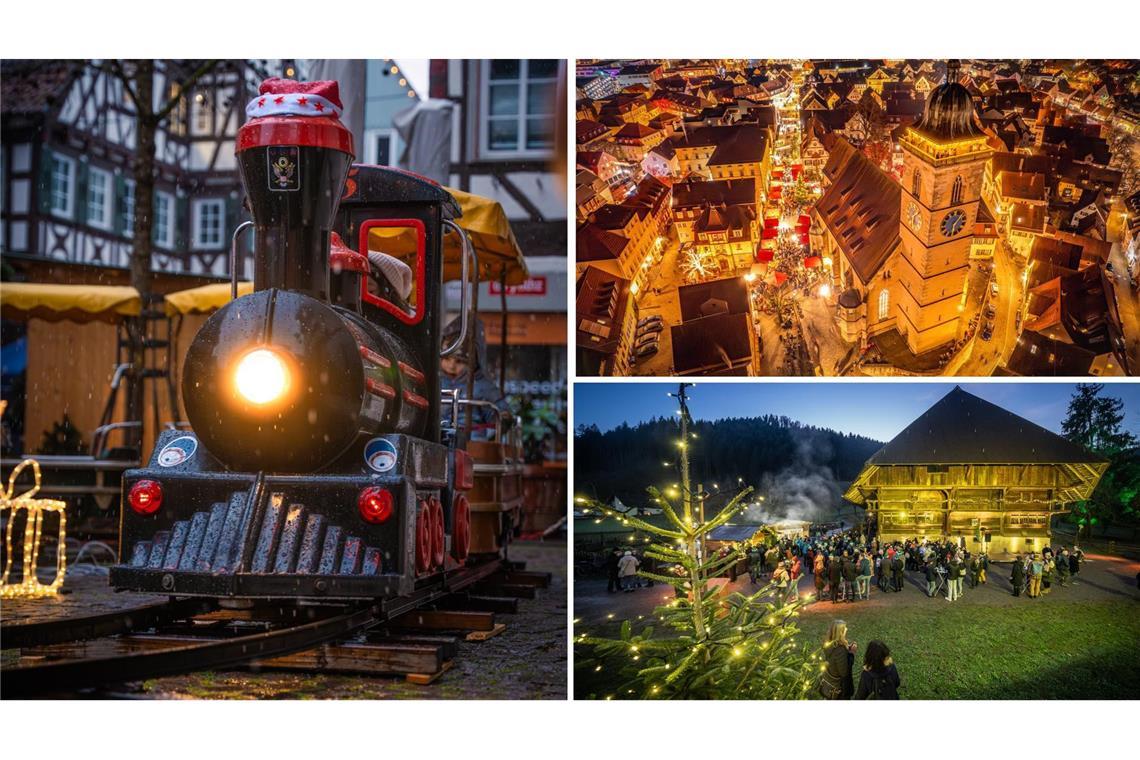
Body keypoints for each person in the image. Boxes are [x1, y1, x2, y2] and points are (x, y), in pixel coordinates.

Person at [440, 317, 510, 440]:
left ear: (473, 363)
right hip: (439, 439)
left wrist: (501, 417)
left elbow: (499, 415)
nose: (451, 366)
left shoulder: (482, 386)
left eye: (459, 361)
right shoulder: (436, 382)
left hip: (472, 442)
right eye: (447, 359)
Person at [818, 620, 856, 700]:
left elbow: (834, 658)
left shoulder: (828, 644)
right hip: (837, 686)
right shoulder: (840, 650)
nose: (847, 629)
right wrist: (851, 653)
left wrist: (847, 648)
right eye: (845, 629)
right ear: (840, 633)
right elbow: (844, 672)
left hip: (828, 678)